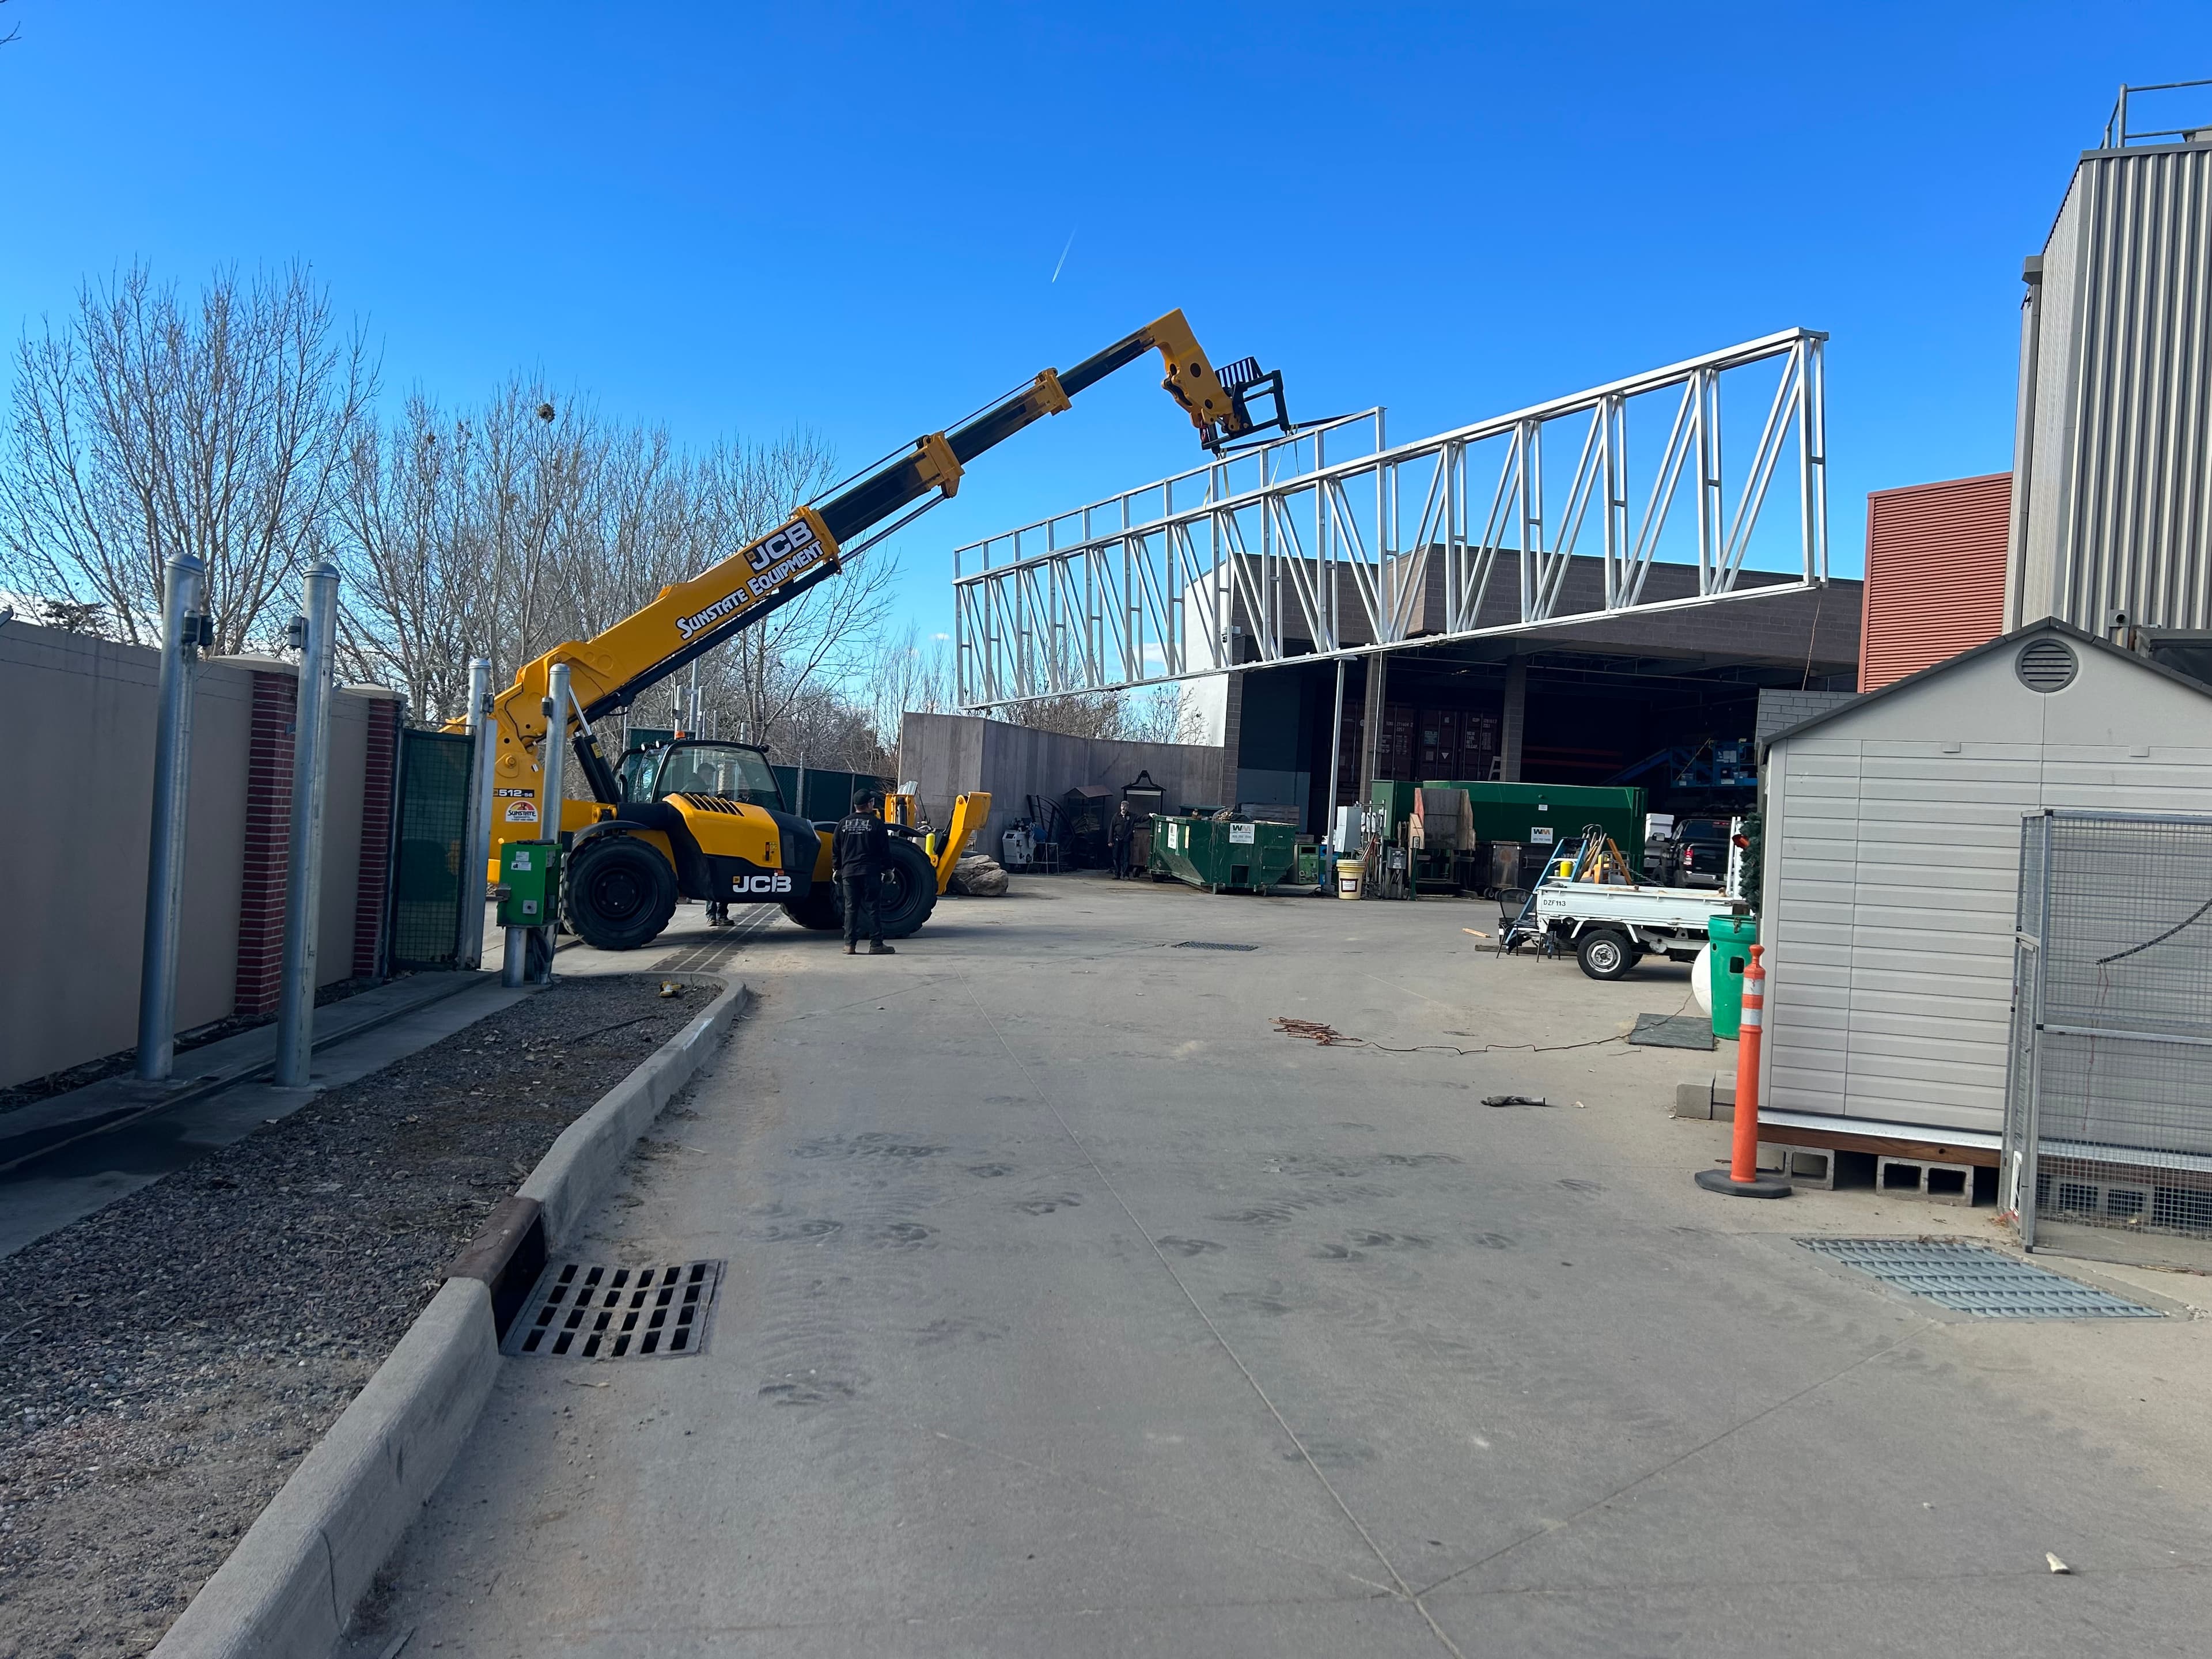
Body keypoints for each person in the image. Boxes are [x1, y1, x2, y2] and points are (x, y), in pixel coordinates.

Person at [832, 788, 896, 956]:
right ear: (869, 804)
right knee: (873, 908)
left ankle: (850, 945)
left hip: (849, 873)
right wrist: (888, 869)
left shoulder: (842, 824)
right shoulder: (876, 824)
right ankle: (876, 944)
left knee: (851, 908)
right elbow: (885, 850)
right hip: (870, 873)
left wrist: (837, 868)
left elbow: (836, 849)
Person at [1108, 799, 1135, 880]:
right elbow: (1111, 829)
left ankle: (1126, 875)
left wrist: (1149, 816)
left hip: (1126, 841)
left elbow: (1140, 818)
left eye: (1125, 806)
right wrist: (1110, 841)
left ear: (1128, 807)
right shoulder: (1116, 817)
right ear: (1120, 807)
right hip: (1117, 840)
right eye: (1122, 806)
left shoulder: (1131, 817)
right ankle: (1117, 874)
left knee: (1126, 858)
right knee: (1116, 857)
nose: (1123, 808)